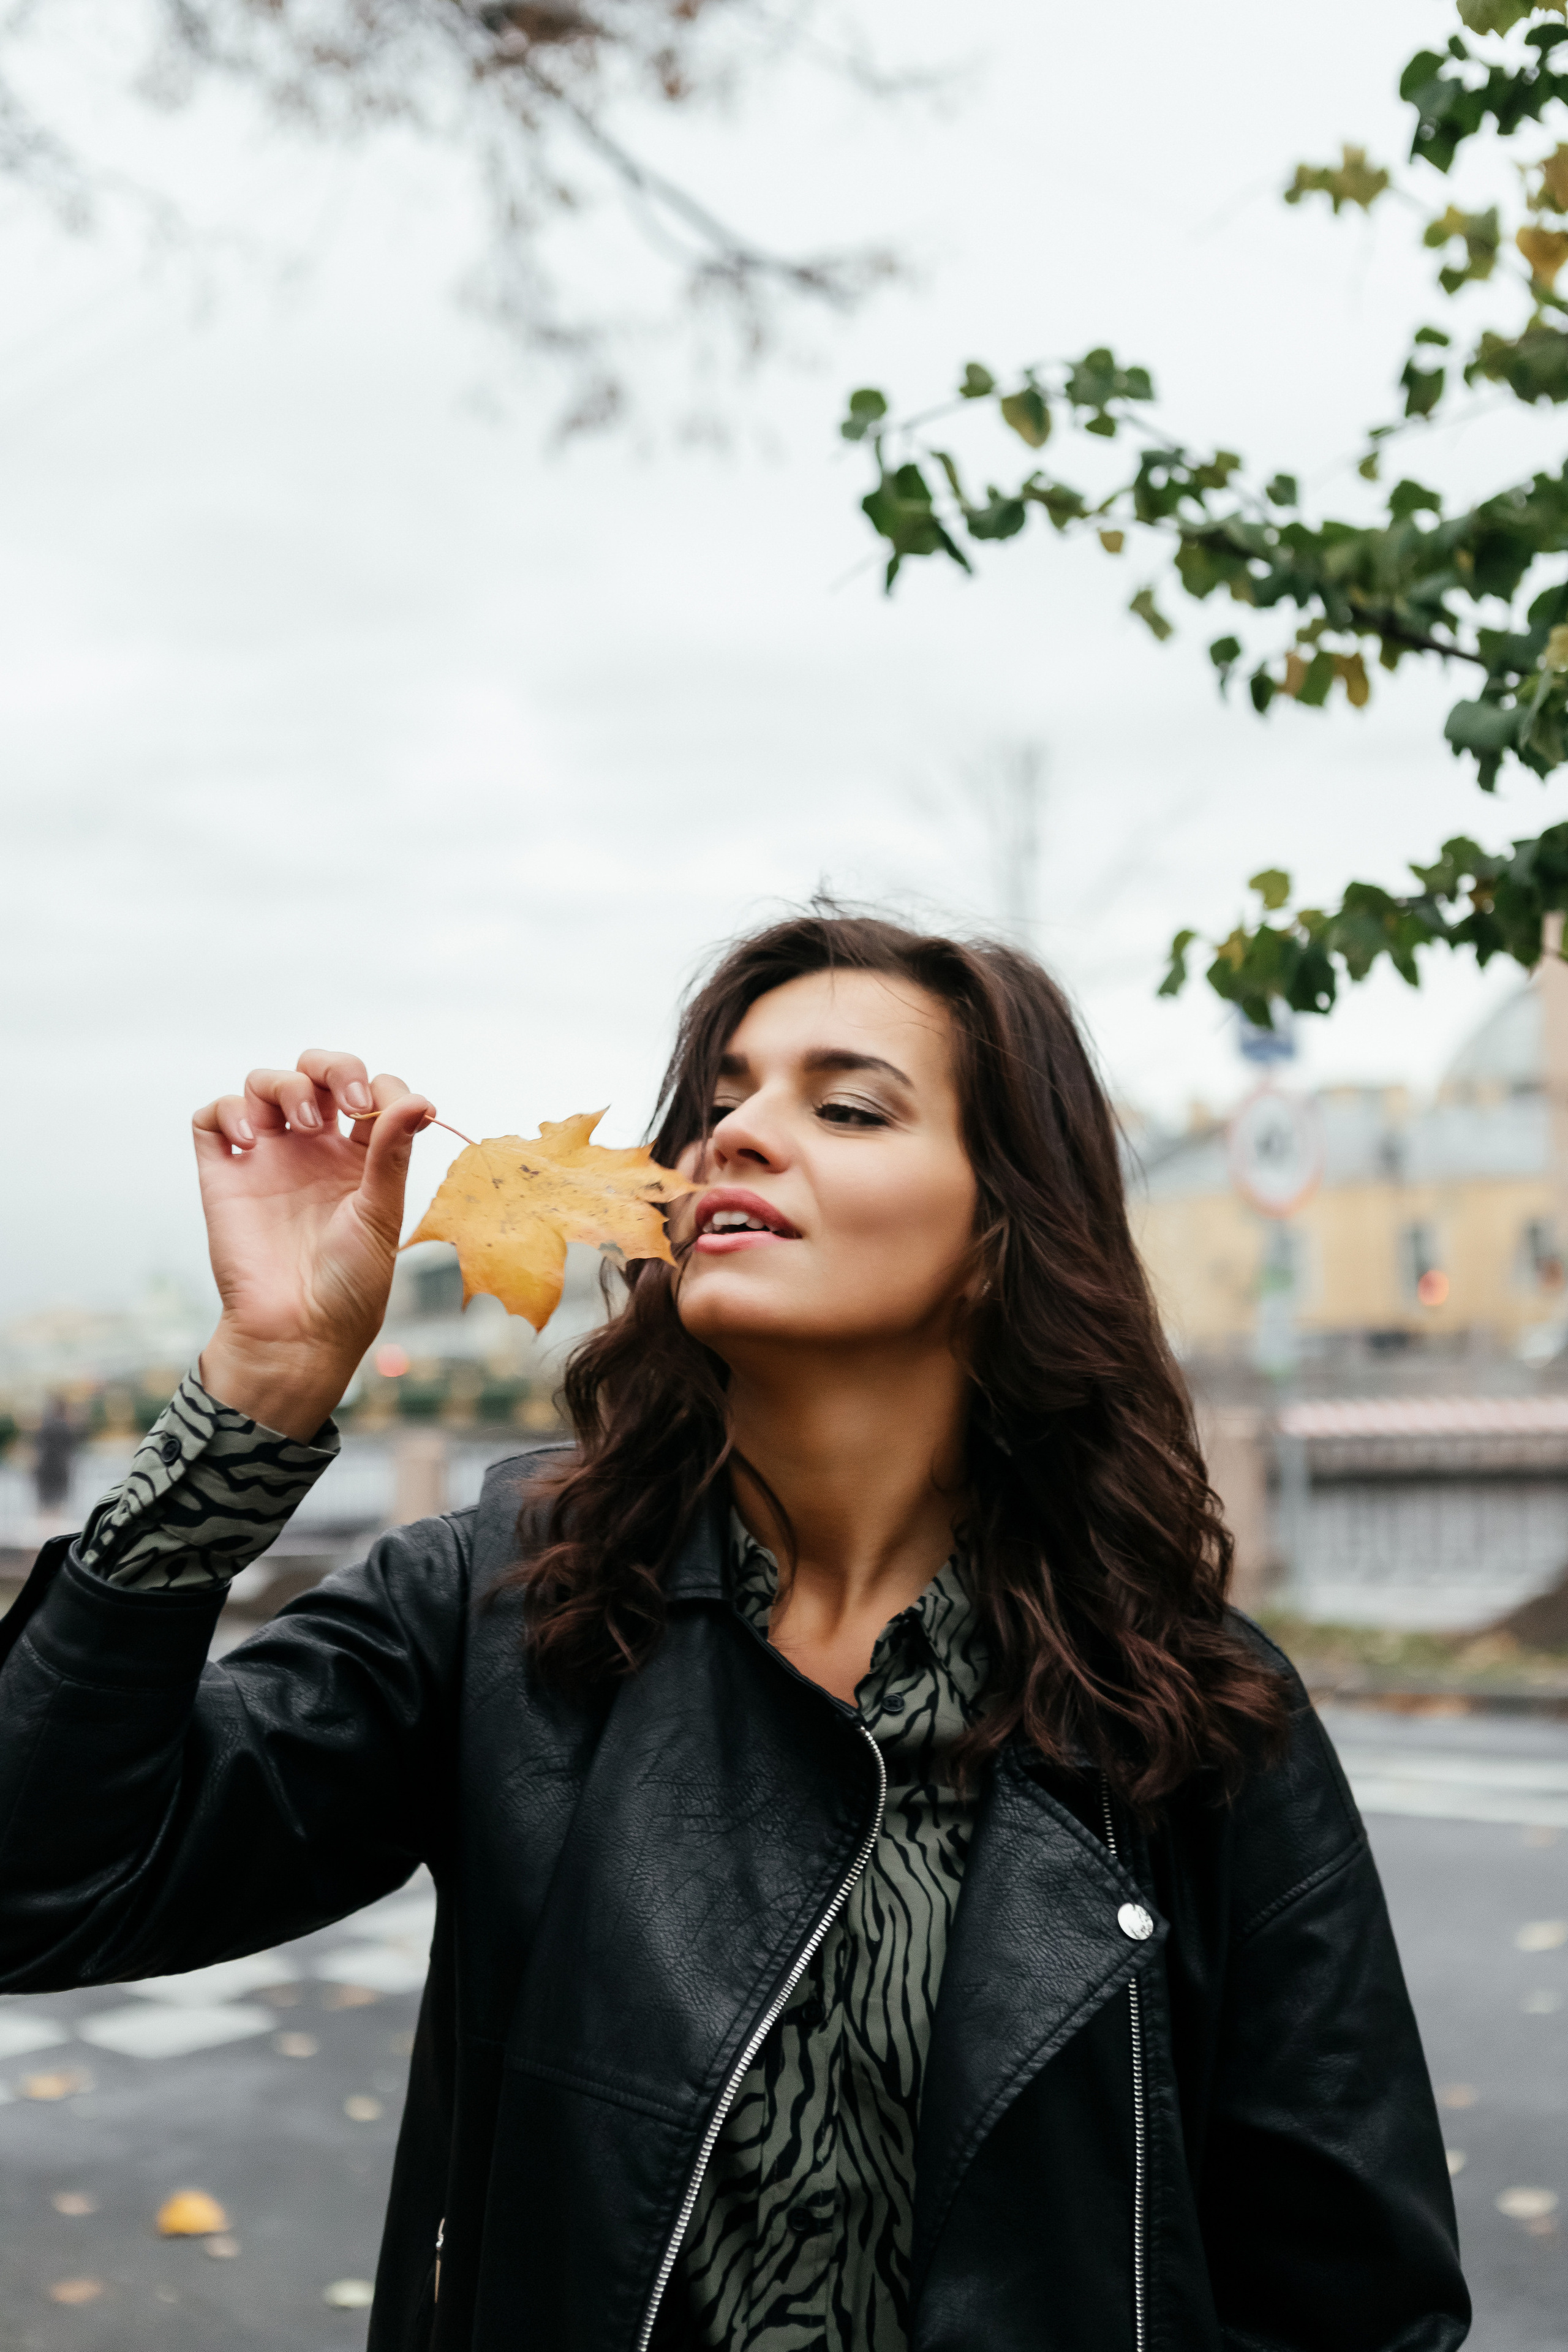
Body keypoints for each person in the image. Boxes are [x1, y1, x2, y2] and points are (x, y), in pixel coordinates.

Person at [0, 913, 1467, 2352]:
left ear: (997, 1236)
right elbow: (41, 1884)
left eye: (843, 1105)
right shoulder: (505, 1605)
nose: (738, 1138)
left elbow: (1353, 2296)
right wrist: (254, 1396)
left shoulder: (1187, 1707)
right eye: (717, 1103)